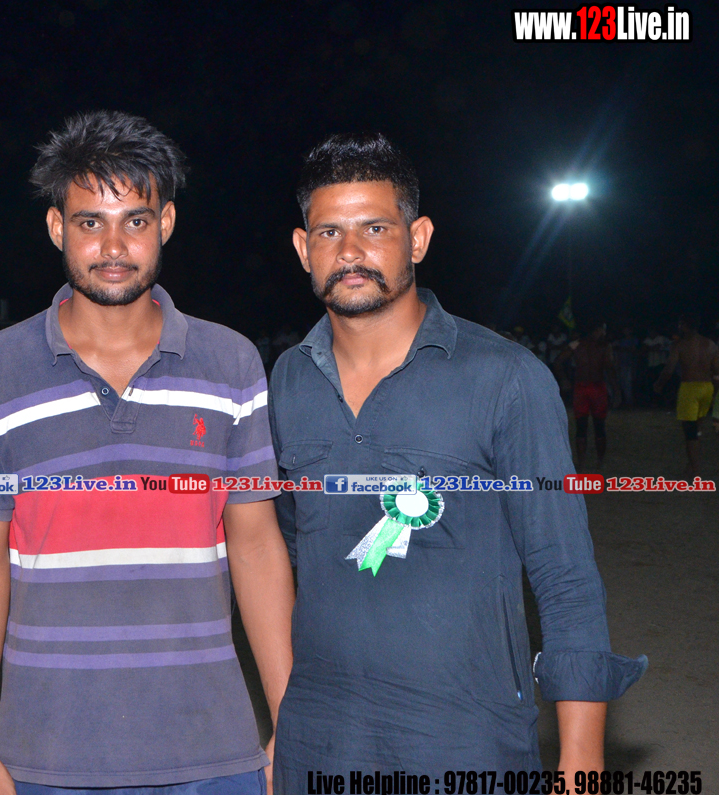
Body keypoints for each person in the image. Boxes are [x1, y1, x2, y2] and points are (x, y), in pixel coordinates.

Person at [268, 133, 645, 786]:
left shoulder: (506, 378)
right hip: (320, 741)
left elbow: (565, 576)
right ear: (304, 249)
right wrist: (286, 720)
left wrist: (581, 760)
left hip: (465, 742)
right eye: (329, 232)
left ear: (417, 239)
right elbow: (287, 553)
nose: (350, 251)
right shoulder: (287, 381)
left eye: (375, 228)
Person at [0, 111, 294, 795]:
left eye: (135, 220)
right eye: (90, 222)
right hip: (42, 758)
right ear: (57, 227)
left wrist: (289, 721)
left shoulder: (230, 362)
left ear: (166, 223)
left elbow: (255, 546)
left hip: (213, 755)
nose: (113, 245)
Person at [653, 313, 719, 478]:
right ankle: (691, 465)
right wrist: (714, 391)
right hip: (707, 387)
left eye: (681, 324)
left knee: (690, 432)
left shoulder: (680, 345)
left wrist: (659, 384)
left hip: (690, 388)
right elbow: (717, 370)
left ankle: (695, 469)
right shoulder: (710, 344)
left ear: (685, 326)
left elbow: (669, 369)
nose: (679, 327)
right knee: (697, 429)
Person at [556, 321, 615, 467]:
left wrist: (564, 379)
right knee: (592, 425)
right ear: (597, 330)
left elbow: (558, 361)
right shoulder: (601, 346)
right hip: (593, 388)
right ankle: (594, 461)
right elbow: (610, 368)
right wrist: (563, 379)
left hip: (585, 388)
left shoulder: (579, 344)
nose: (604, 334)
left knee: (588, 425)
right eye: (602, 331)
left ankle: (586, 461)